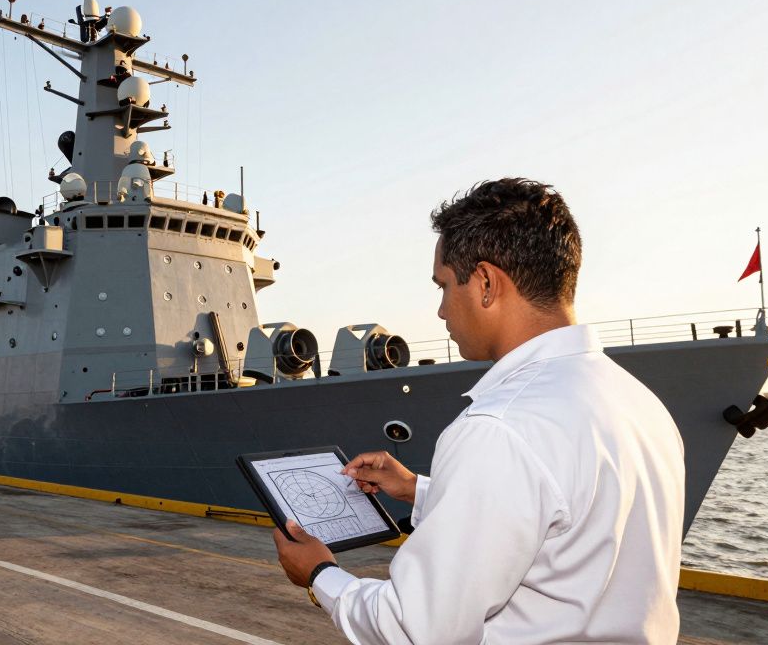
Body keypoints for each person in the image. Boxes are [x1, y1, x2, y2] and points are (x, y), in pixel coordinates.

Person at [273, 178, 685, 644]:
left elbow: (415, 629)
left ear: (486, 283)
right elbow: (562, 520)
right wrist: (416, 490)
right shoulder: (640, 403)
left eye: (445, 286)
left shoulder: (498, 427)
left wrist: (320, 574)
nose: (441, 311)